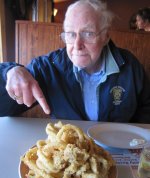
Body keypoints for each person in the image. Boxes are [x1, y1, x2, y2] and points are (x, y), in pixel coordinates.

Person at [0, 0, 150, 123]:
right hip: (69, 154)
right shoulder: (48, 68)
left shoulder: (130, 67)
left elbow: (146, 110)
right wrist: (10, 71)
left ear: (105, 37)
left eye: (88, 33)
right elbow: (4, 107)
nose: (77, 45)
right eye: (71, 34)